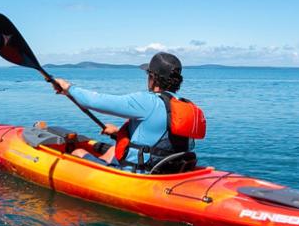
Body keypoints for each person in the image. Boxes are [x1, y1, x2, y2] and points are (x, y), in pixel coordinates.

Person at [52, 52, 198, 170]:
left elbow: (95, 101)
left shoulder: (146, 101)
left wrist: (68, 88)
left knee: (77, 152)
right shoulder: (185, 104)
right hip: (170, 169)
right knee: (112, 150)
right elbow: (162, 137)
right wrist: (118, 133)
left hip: (141, 174)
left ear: (153, 77)